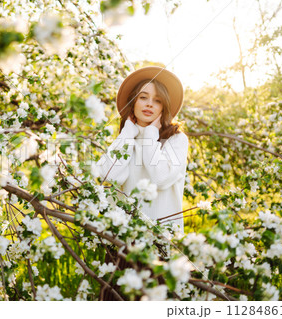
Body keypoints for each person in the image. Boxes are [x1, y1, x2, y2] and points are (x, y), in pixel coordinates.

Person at [97, 66, 189, 300]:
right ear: (133, 103)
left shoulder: (176, 140)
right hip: (122, 241)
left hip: (160, 243)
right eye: (143, 97)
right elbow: (108, 174)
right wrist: (127, 134)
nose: (149, 104)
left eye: (157, 100)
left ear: (163, 107)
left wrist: (149, 136)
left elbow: (160, 177)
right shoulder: (127, 138)